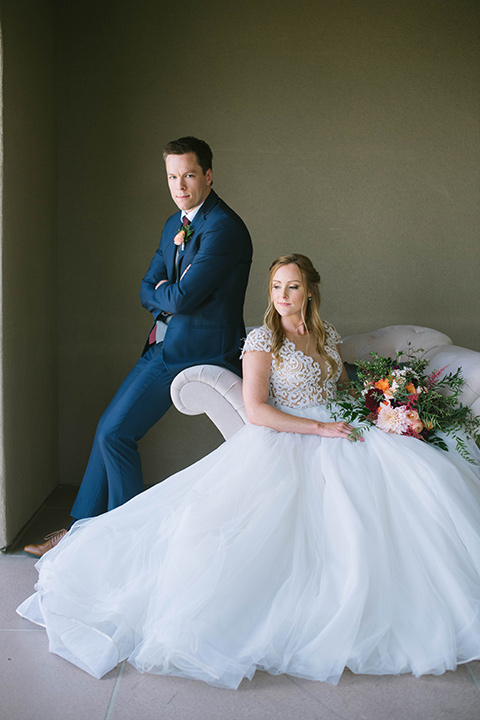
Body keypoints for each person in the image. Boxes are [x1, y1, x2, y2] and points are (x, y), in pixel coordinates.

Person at [18, 254, 480, 688]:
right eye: (276, 286)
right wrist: (319, 429)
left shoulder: (327, 335)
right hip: (290, 437)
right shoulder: (263, 340)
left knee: (418, 477)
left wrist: (383, 404)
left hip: (341, 427)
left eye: (292, 286)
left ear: (310, 292)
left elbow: (339, 384)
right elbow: (256, 410)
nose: (282, 294)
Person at [24, 136, 252, 557]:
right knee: (109, 431)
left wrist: (167, 290)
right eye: (172, 176)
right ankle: (81, 533)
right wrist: (166, 290)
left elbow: (181, 299)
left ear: (208, 174)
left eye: (188, 175)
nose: (179, 185)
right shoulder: (174, 224)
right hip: (162, 343)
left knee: (113, 432)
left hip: (195, 350)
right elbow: (148, 286)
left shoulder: (224, 228)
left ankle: (120, 542)